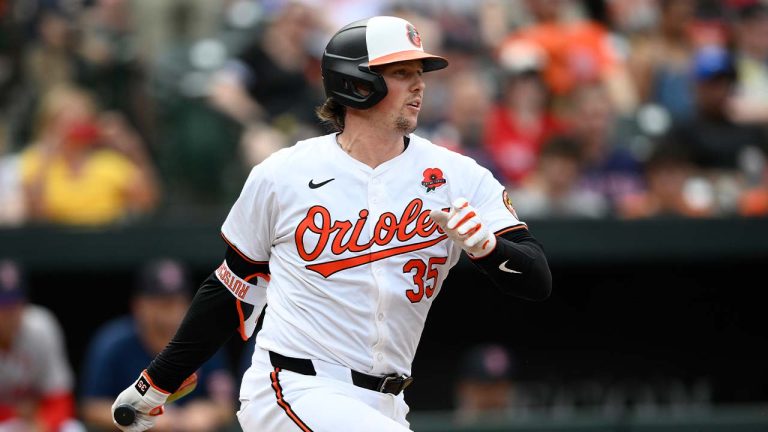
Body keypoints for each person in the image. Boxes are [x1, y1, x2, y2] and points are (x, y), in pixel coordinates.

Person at [110, 15, 552, 431]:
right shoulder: (284, 173)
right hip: (292, 387)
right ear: (355, 81)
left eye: (420, 72)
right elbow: (233, 287)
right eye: (400, 72)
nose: (419, 84)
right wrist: (157, 384)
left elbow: (537, 278)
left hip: (389, 402)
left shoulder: (457, 175)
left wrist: (490, 251)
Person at [80, 258, 235, 431]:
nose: (174, 313)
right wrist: (140, 417)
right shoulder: (114, 342)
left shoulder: (204, 339)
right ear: (139, 306)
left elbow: (226, 405)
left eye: (179, 302)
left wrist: (209, 411)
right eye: (164, 304)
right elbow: (90, 408)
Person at [0, 259, 83, 432]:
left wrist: (42, 425)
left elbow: (61, 398)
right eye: (2, 305)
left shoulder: (41, 326)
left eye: (14, 303)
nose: (9, 313)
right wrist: (14, 413)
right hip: (7, 421)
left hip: (36, 421)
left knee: (73, 428)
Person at [454, 343, 517, 424]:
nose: (498, 364)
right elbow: (465, 417)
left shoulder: (504, 386)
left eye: (499, 360)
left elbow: (509, 414)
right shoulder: (469, 387)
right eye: (494, 360)